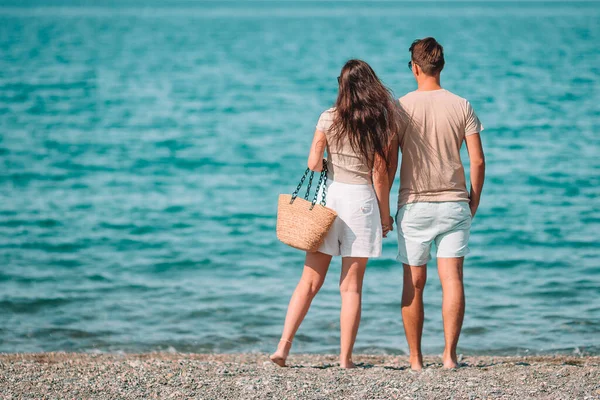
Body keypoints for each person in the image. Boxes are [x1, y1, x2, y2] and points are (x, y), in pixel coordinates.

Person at [270, 59, 398, 369]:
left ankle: (282, 349)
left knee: (309, 282)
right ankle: (345, 359)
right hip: (362, 202)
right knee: (351, 287)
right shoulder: (381, 120)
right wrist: (385, 215)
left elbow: (313, 163)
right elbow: (380, 175)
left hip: (331, 197)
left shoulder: (328, 117)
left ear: (341, 86)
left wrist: (331, 164)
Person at [388, 37, 486, 370]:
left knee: (413, 282)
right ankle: (449, 357)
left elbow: (388, 162)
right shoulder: (462, 105)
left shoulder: (399, 108)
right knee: (453, 280)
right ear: (440, 66)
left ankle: (415, 360)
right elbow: (478, 162)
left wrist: (383, 205)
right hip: (454, 203)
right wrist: (473, 199)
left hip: (414, 205)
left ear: (414, 67)